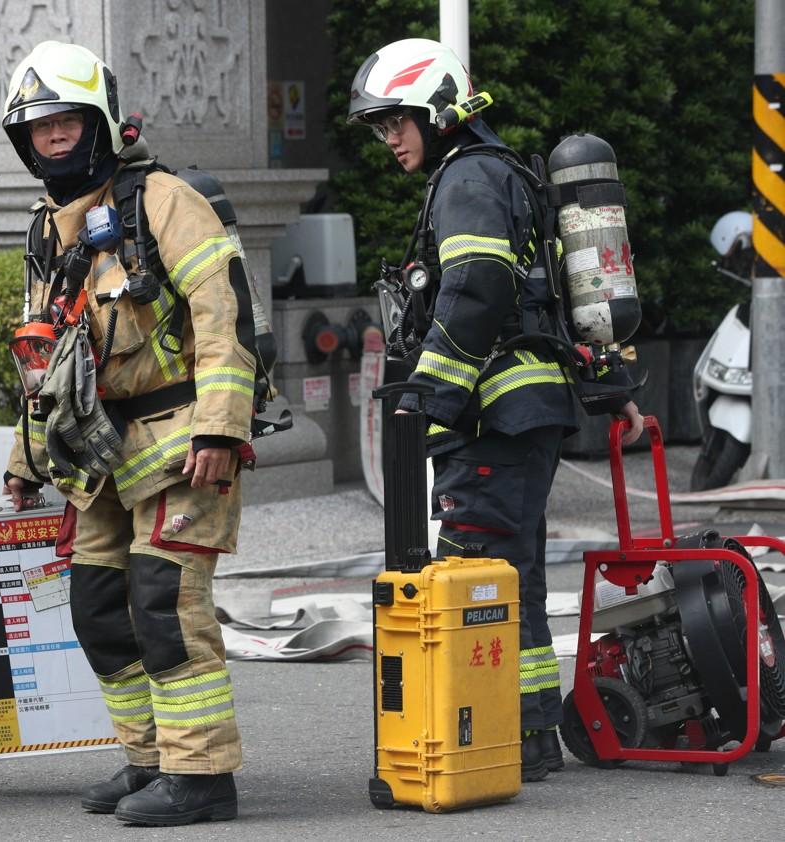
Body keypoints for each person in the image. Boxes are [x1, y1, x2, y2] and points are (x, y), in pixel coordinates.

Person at [347, 39, 643, 783]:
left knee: (475, 573)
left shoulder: (469, 176)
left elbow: (477, 283)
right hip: (522, 410)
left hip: (494, 414)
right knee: (514, 577)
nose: (389, 140)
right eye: (379, 127)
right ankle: (528, 731)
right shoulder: (500, 170)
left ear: (440, 110)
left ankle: (492, 736)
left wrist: (429, 392)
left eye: (397, 122)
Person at [0, 41, 256, 827]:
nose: (52, 140)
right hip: (98, 456)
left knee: (164, 602)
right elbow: (45, 356)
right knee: (98, 607)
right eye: (38, 129)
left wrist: (219, 427)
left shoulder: (164, 201)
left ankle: (201, 773)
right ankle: (149, 760)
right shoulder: (49, 231)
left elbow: (224, 318)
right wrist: (25, 459)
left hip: (181, 440)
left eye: (67, 124)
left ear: (102, 126)